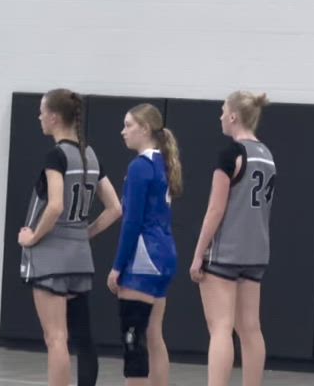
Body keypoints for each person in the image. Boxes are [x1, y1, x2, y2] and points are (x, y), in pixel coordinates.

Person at [18, 89, 121, 386]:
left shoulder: (57, 156)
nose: (39, 117)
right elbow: (115, 208)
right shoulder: (90, 155)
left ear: (53, 117)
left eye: (42, 111)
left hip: (51, 257)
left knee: (56, 338)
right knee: (82, 337)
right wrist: (84, 234)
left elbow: (55, 206)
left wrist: (33, 237)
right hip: (79, 258)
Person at [189, 91, 276, 386]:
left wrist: (198, 253)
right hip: (256, 252)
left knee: (221, 328)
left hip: (226, 252)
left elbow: (215, 209)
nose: (220, 116)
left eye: (223, 111)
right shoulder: (267, 155)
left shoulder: (231, 154)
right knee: (251, 328)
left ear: (234, 116)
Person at [107, 103, 182, 386]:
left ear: (146, 129)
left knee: (133, 337)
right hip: (165, 255)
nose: (123, 131)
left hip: (144, 258)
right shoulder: (162, 162)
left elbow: (132, 222)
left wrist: (117, 267)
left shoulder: (140, 166)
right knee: (153, 335)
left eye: (128, 125)